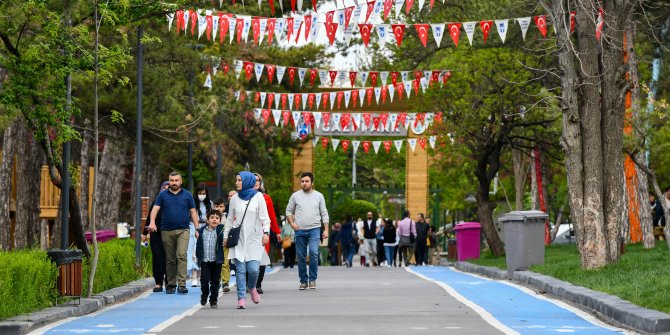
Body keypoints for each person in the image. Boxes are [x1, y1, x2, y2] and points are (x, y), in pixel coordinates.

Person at [223, 172, 270, 309]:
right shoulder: (235, 199)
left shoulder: (258, 197)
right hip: (239, 238)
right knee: (240, 270)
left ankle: (252, 288)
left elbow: (265, 218)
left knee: (254, 269)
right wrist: (226, 237)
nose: (236, 182)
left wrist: (266, 233)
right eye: (236, 180)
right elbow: (230, 220)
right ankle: (241, 298)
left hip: (254, 238)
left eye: (239, 180)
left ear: (247, 181)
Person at [148, 172, 200, 294]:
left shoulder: (187, 195)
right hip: (166, 230)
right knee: (170, 258)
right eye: (172, 180)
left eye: (176, 180)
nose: (174, 183)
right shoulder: (162, 195)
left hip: (183, 230)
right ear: (169, 181)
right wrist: (152, 223)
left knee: (181, 255)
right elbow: (155, 209)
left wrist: (197, 229)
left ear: (181, 181)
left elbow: (193, 212)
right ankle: (171, 284)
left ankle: (182, 284)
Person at [285, 172, 330, 290]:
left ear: (312, 183)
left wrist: (326, 230)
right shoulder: (295, 196)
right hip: (300, 230)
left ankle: (313, 279)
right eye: (302, 181)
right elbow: (288, 211)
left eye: (307, 181)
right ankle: (303, 281)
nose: (304, 183)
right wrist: (292, 224)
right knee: (300, 256)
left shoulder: (319, 196)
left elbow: (324, 213)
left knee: (314, 253)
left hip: (315, 229)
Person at [253, 173, 282, 295]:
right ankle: (250, 283)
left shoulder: (266, 198)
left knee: (262, 258)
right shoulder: (241, 197)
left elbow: (272, 216)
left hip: (263, 233)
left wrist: (277, 231)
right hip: (247, 232)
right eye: (253, 180)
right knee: (248, 258)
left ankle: (258, 285)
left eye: (257, 180)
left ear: (261, 183)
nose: (255, 182)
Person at [142, 181, 169, 292]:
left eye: (168, 189)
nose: (166, 191)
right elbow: (149, 218)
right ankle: (158, 282)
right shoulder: (155, 203)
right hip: (156, 235)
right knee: (157, 258)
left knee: (169, 258)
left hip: (170, 235)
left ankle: (169, 281)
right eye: (164, 188)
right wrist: (144, 233)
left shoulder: (173, 203)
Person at [196, 210, 224, 309]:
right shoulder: (201, 231)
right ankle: (204, 295)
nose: (214, 220)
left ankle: (213, 300)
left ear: (220, 221)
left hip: (217, 261)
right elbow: (198, 245)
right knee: (204, 280)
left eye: (217, 218)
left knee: (215, 282)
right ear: (207, 220)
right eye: (212, 217)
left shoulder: (221, 231)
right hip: (205, 261)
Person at [213, 198, 231, 293]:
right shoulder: (211, 217)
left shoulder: (228, 217)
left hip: (225, 243)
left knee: (225, 264)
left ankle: (225, 283)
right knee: (215, 264)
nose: (219, 208)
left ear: (224, 207)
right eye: (217, 206)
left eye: (221, 206)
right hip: (213, 244)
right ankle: (216, 281)